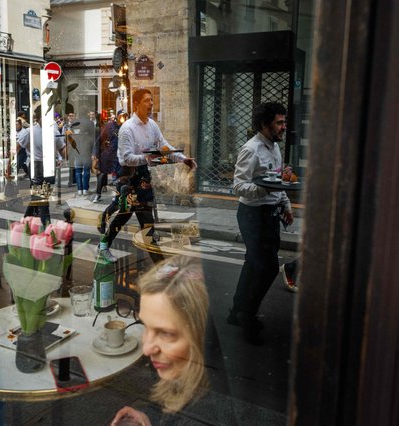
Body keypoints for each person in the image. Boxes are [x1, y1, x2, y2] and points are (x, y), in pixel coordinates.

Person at [99, 89, 197, 262]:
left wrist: (183, 159)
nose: (151, 104)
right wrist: (148, 158)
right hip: (128, 177)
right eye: (146, 101)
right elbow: (125, 158)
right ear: (136, 104)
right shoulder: (127, 129)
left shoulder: (152, 125)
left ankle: (104, 244)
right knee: (143, 220)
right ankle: (160, 264)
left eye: (151, 100)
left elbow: (164, 146)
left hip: (143, 176)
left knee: (128, 216)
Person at [110, 255, 210, 426]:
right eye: (145, 326)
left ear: (205, 335)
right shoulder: (186, 377)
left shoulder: (211, 413)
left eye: (166, 334)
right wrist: (149, 418)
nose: (147, 349)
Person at [227, 101, 294, 345]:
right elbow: (239, 186)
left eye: (284, 122)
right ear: (265, 124)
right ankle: (247, 316)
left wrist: (285, 205)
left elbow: (278, 180)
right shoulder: (251, 149)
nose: (284, 127)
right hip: (252, 216)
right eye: (279, 122)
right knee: (264, 268)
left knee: (255, 266)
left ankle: (237, 311)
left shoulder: (275, 148)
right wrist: (264, 189)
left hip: (271, 214)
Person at [92, 110, 125, 202]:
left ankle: (118, 196)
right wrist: (95, 154)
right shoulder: (110, 126)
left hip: (120, 155)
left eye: (124, 116)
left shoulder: (127, 127)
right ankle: (98, 194)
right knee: (102, 174)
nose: (123, 118)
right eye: (121, 116)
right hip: (108, 154)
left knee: (120, 176)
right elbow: (99, 140)